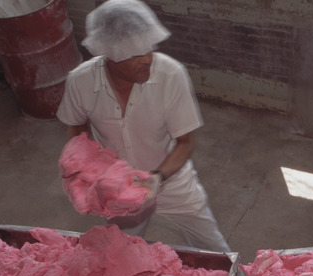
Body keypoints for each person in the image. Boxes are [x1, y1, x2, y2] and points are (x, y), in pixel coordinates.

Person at [56, 0, 230, 253]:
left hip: (171, 179)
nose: (147, 59)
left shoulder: (171, 75)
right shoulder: (80, 81)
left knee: (213, 247)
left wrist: (157, 179)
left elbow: (185, 143)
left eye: (148, 48)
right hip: (119, 187)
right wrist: (84, 169)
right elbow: (77, 127)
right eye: (135, 54)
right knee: (119, 251)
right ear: (109, 55)